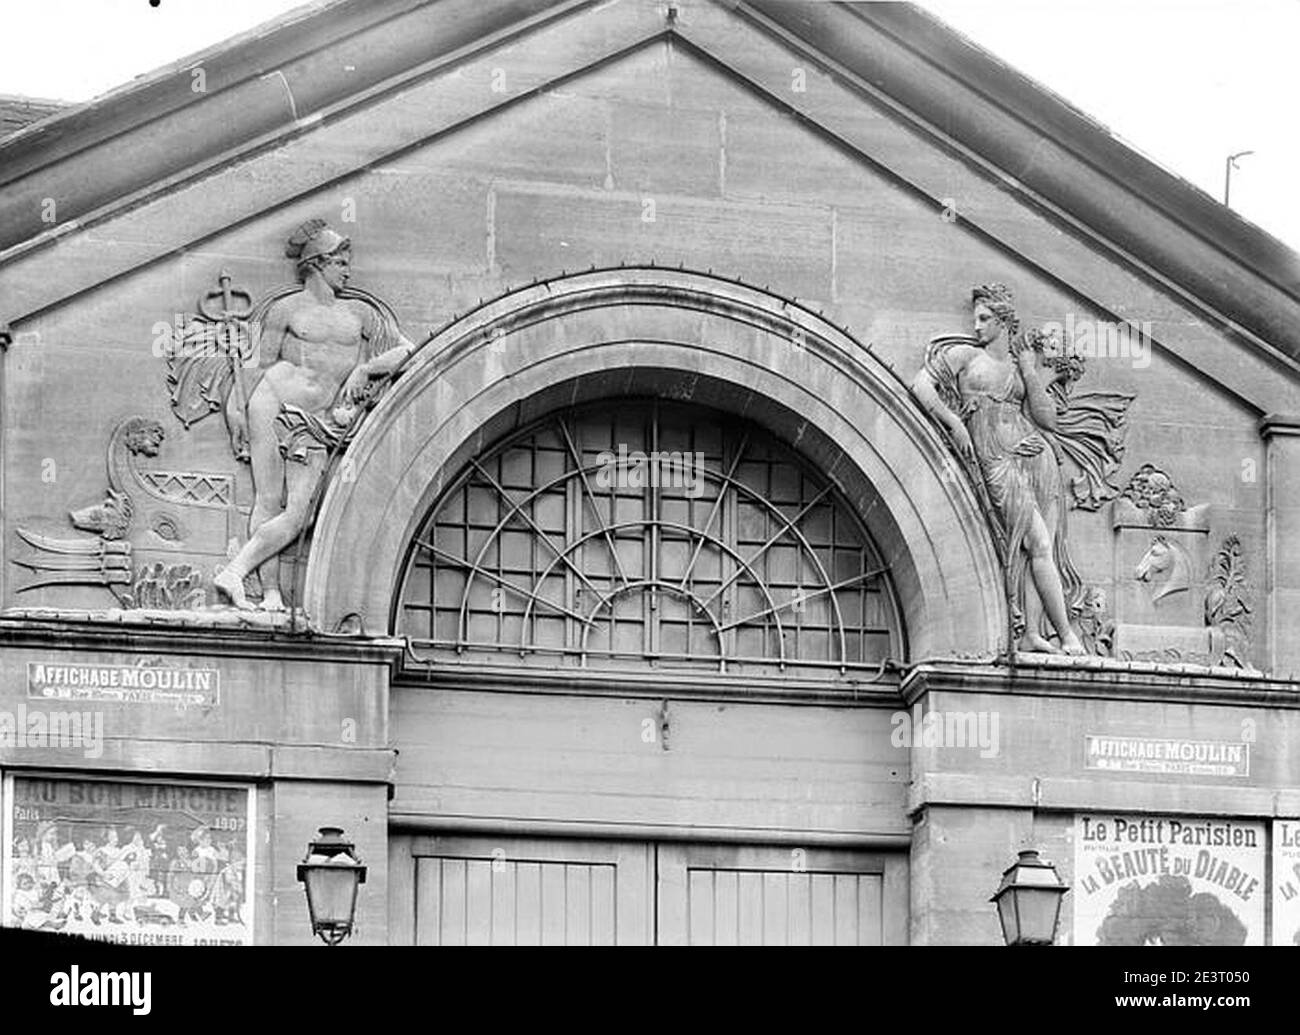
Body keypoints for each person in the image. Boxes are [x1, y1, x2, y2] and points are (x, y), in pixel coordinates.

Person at [212, 219, 419, 610]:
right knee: (268, 498)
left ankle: (238, 572)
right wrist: (235, 411)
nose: (348, 270)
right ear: (319, 263)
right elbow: (256, 366)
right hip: (271, 403)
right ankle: (270, 591)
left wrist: (366, 368)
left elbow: (409, 352)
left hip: (321, 420)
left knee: (302, 510)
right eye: (341, 262)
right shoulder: (286, 309)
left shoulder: (360, 312)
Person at [912, 284, 1085, 654]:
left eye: (985, 319)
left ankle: (1033, 634)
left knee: (1038, 548)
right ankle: (1068, 635)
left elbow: (1046, 418)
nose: (976, 326)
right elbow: (921, 385)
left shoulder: (1018, 368)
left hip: (1035, 457)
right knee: (1036, 541)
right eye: (975, 318)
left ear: (1004, 322)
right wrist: (952, 422)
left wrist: (1029, 369)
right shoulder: (964, 356)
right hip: (995, 459)